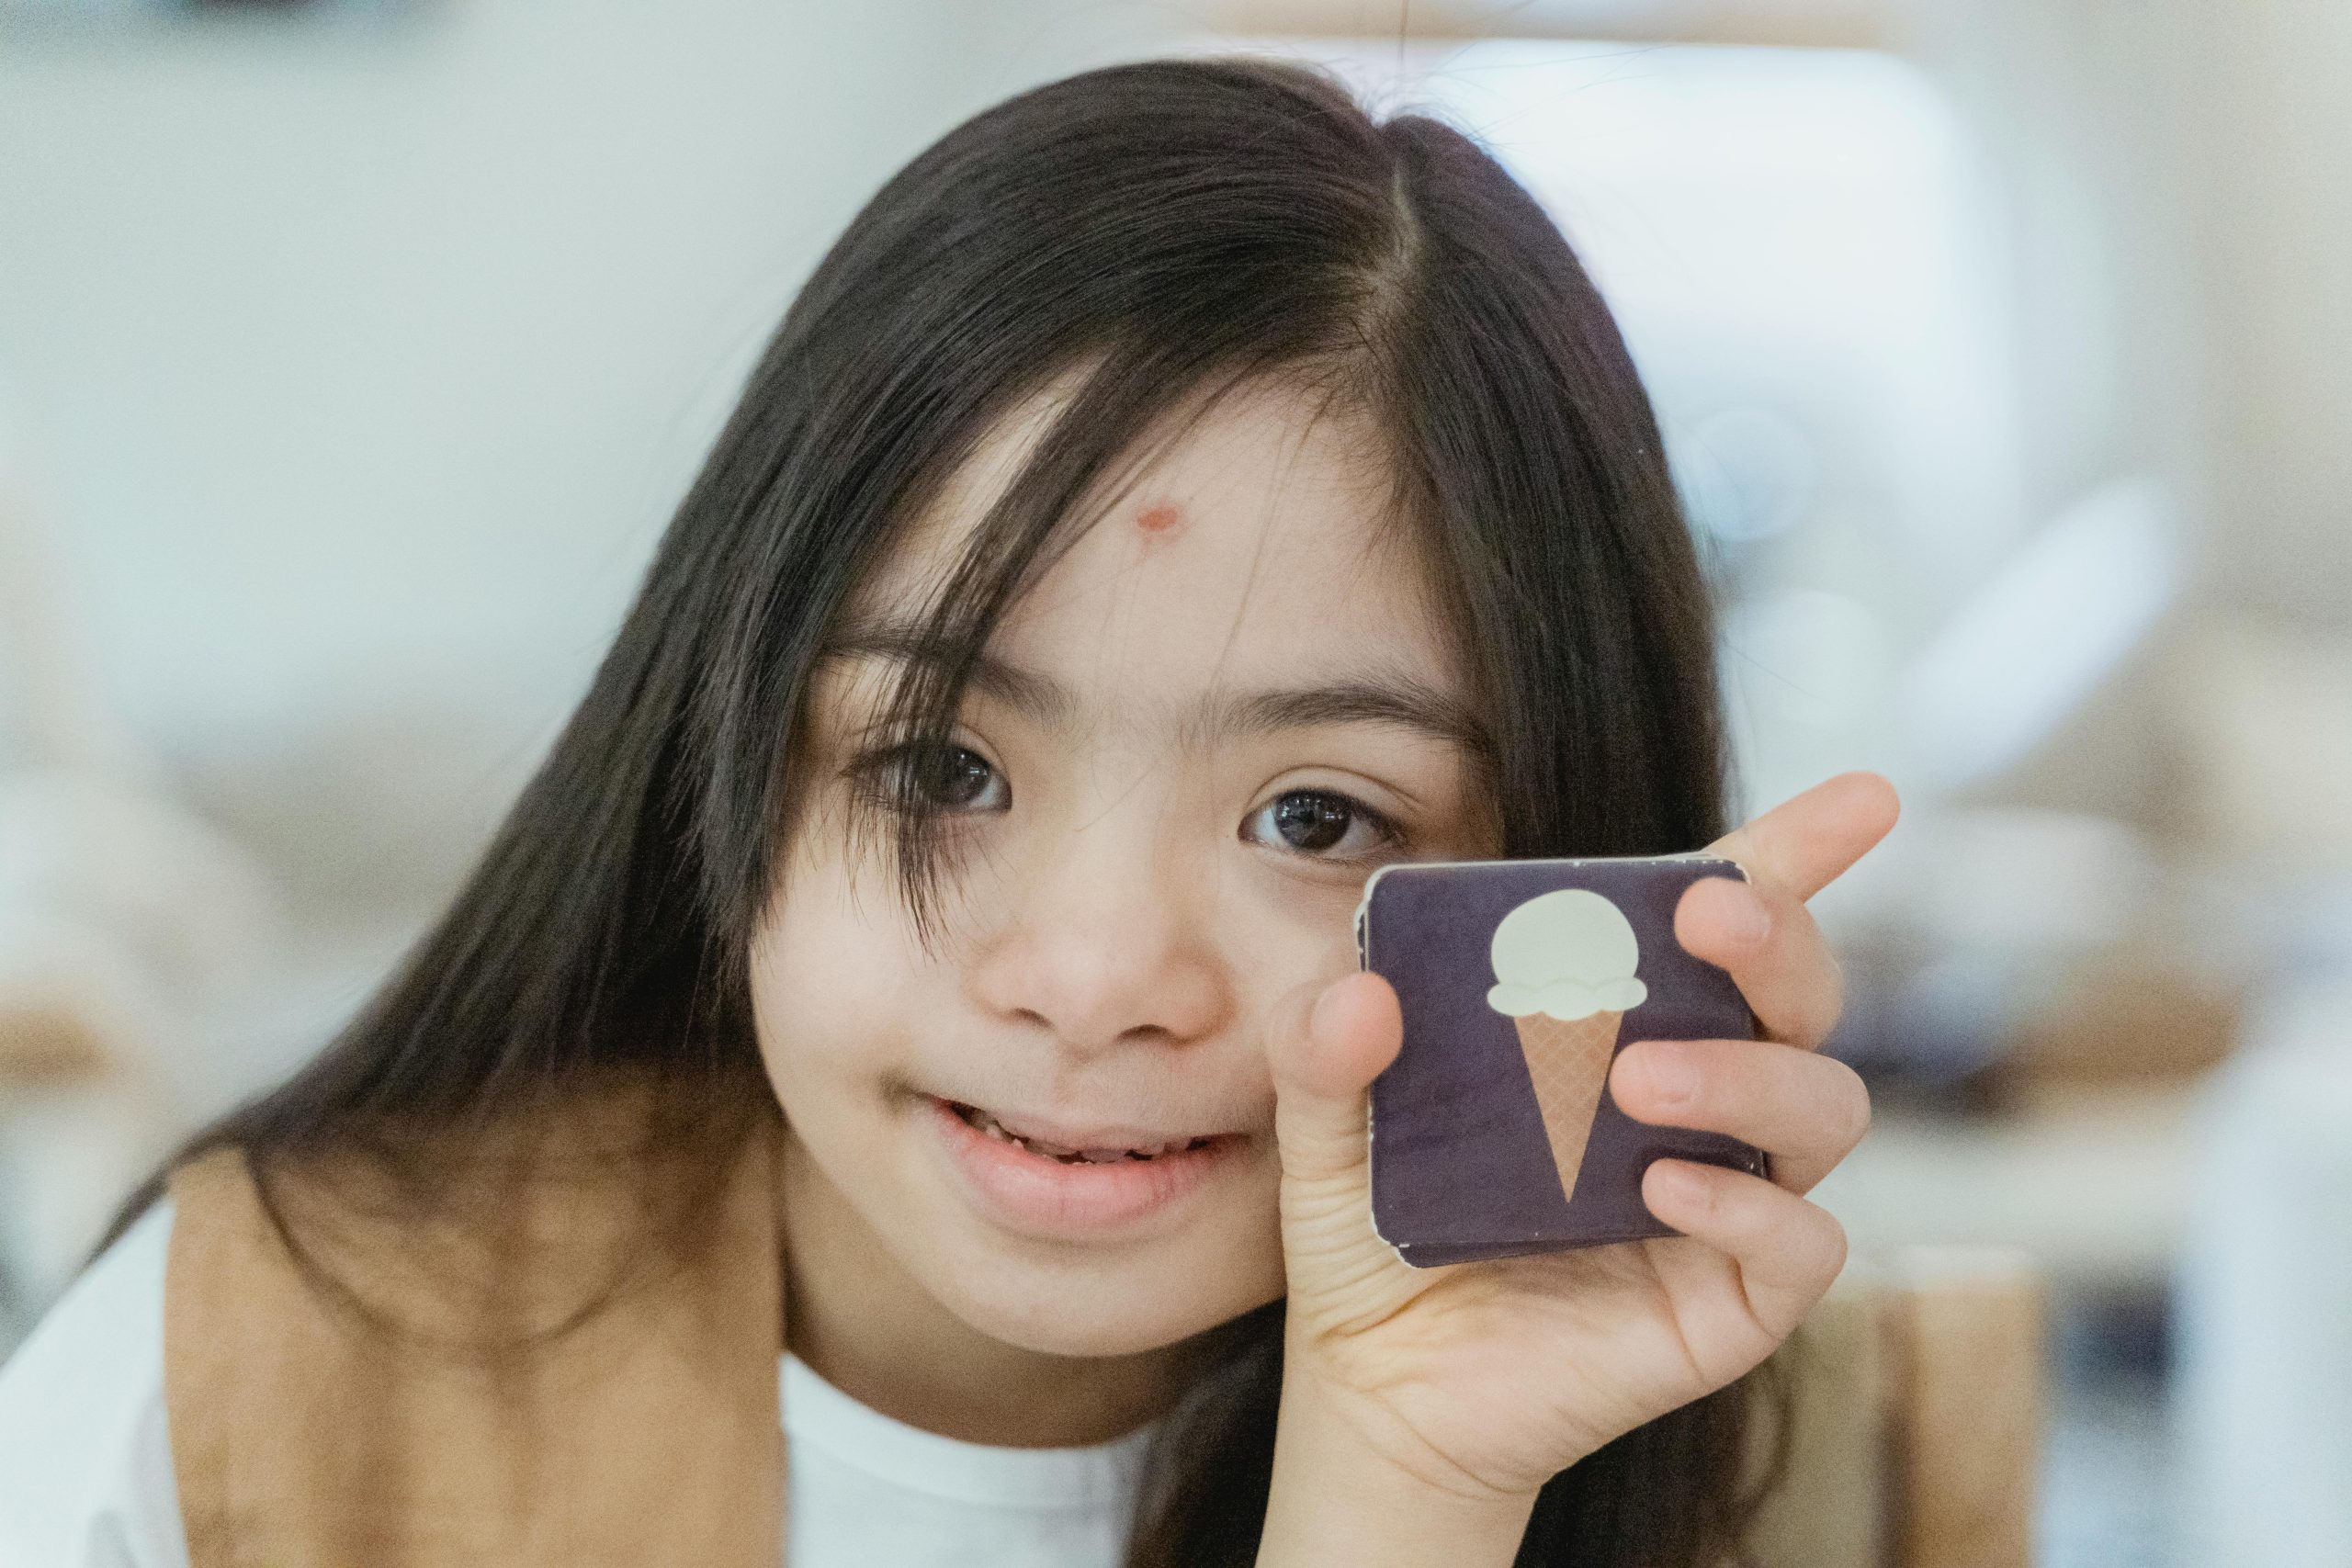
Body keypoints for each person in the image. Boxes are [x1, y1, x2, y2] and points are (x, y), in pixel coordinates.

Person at [0, 55, 1893, 1568]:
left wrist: (1402, 1493)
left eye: (1316, 817)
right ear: (716, 746)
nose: (1089, 978)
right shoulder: (227, 1375)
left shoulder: (1740, 1459)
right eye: (939, 767)